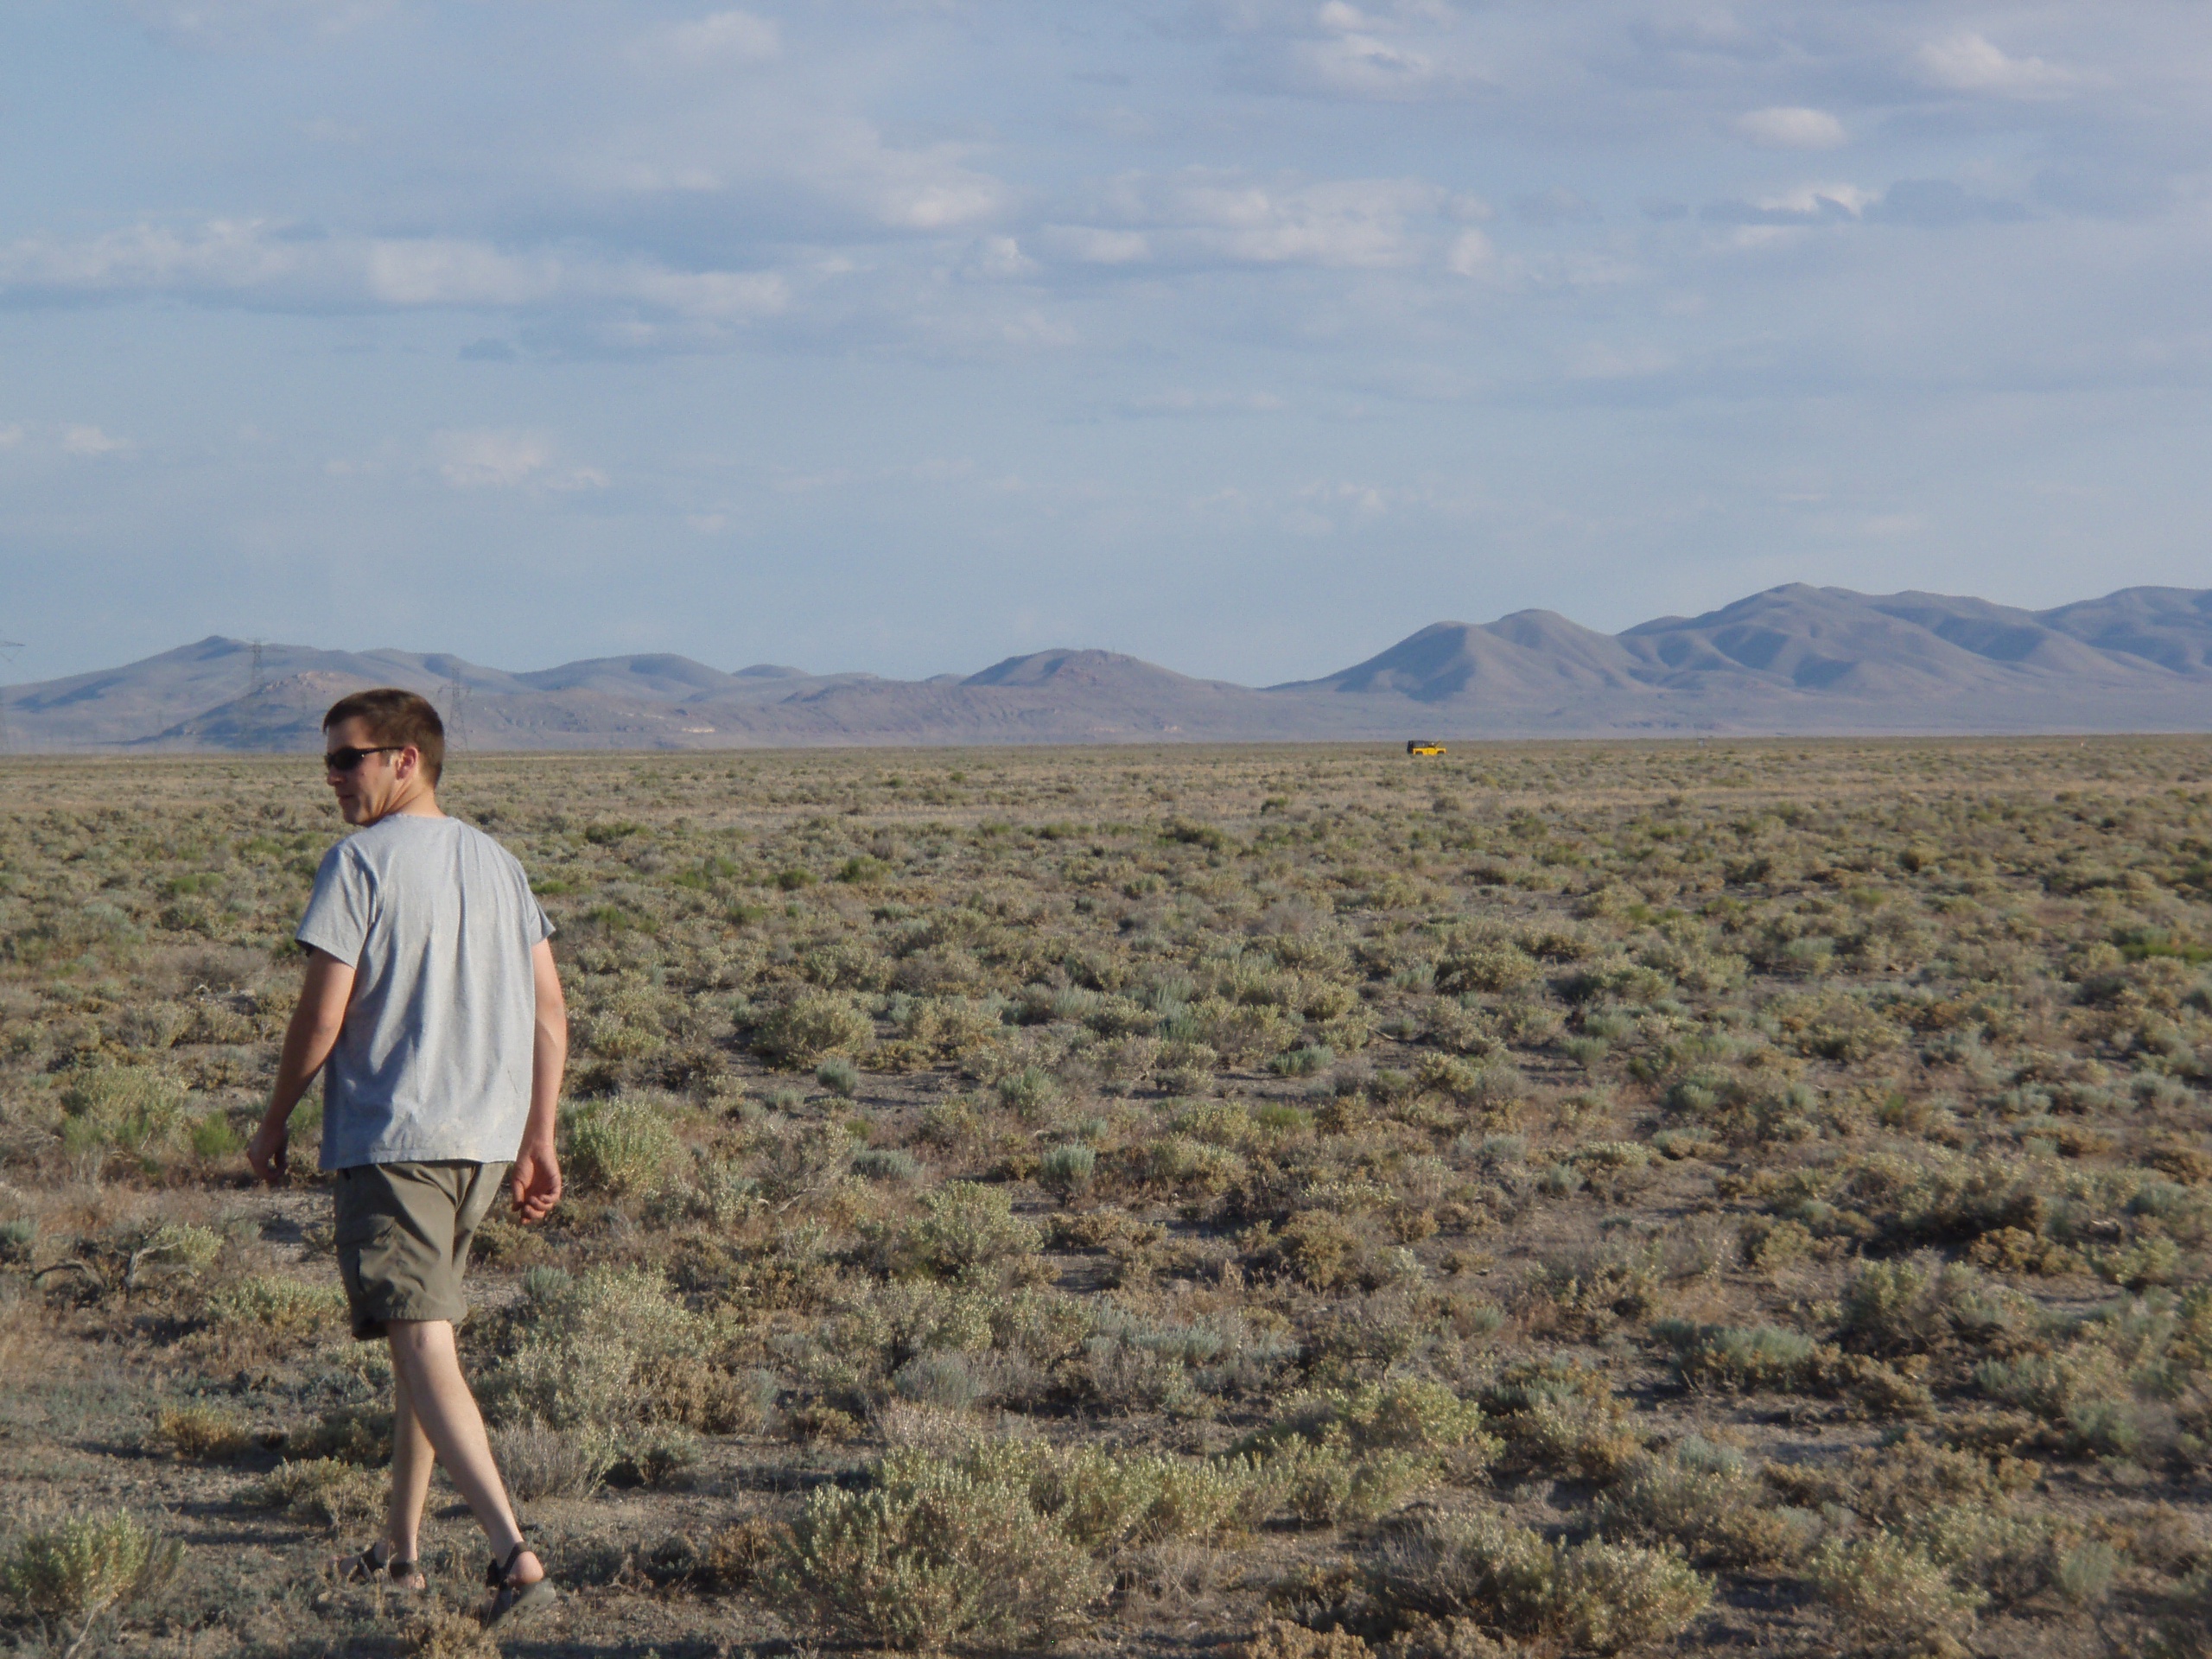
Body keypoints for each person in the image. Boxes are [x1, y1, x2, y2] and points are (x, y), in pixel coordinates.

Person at [247, 688, 565, 1624]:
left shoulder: (357, 864)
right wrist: (538, 1134)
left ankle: (512, 1553)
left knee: (422, 1340)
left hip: (398, 1139)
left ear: (406, 760)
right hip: (482, 1143)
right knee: (418, 1350)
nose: (333, 778)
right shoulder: (499, 862)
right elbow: (550, 1009)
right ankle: (401, 1551)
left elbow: (323, 1014)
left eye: (348, 758)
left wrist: (274, 1119)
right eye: (328, 761)